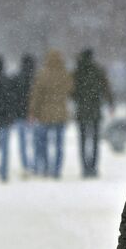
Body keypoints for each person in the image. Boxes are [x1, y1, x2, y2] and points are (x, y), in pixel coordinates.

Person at [29, 49, 72, 178]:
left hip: (44, 114)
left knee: (44, 143)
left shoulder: (43, 74)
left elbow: (36, 95)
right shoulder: (65, 74)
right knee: (59, 144)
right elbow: (71, 89)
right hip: (61, 114)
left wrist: (32, 111)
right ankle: (57, 170)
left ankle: (46, 167)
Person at [72, 48, 114, 178]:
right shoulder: (98, 70)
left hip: (82, 110)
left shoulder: (77, 71)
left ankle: (85, 167)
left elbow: (71, 91)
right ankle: (94, 167)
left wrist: (78, 98)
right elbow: (106, 87)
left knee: (83, 140)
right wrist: (111, 103)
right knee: (95, 139)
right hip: (95, 109)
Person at [10, 54, 36, 175]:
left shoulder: (16, 78)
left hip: (19, 115)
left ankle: (25, 164)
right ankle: (35, 164)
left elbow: (13, 97)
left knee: (23, 143)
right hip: (34, 115)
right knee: (35, 141)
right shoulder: (35, 78)